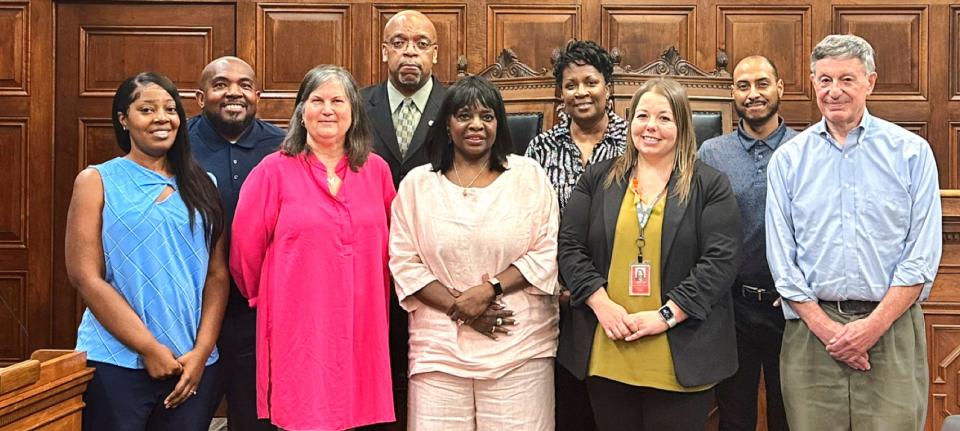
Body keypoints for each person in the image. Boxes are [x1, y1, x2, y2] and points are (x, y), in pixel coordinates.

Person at [766, 34, 942, 431]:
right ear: (813, 83)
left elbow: (921, 255)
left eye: (847, 79)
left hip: (891, 327)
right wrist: (831, 331)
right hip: (812, 333)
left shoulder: (911, 154)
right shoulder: (789, 161)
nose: (834, 91)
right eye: (824, 80)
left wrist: (871, 328)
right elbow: (783, 260)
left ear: (870, 82)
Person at [557, 78, 742, 431]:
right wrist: (602, 305)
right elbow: (570, 246)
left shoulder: (709, 184)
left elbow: (720, 261)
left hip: (681, 350)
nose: (651, 127)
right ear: (630, 123)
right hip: (608, 345)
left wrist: (666, 316)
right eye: (642, 116)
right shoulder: (599, 178)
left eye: (664, 118)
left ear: (682, 126)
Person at [389, 75, 560, 430]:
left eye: (487, 115)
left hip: (519, 344)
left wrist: (488, 290)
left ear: (500, 123)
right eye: (464, 115)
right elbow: (405, 262)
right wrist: (460, 308)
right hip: (439, 350)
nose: (476, 125)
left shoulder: (529, 176)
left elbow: (546, 249)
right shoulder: (418, 185)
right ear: (446, 124)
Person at [230, 65, 396, 430]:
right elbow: (244, 251)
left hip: (362, 322)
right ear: (301, 111)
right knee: (304, 417)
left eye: (338, 100)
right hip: (299, 324)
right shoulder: (272, 171)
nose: (327, 109)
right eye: (316, 100)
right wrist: (266, 297)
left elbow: (396, 245)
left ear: (353, 111)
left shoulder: (377, 171)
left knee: (359, 416)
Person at [66, 72, 228, 431]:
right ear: (124, 119)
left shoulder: (205, 184)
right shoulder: (96, 180)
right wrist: (147, 347)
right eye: (147, 109)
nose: (161, 118)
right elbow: (85, 277)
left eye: (171, 109)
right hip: (116, 361)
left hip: (191, 363)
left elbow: (217, 274)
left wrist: (202, 353)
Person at [525, 39, 627, 431]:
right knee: (566, 407)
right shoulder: (540, 147)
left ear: (608, 86)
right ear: (560, 93)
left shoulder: (633, 142)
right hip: (555, 296)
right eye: (570, 85)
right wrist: (558, 285)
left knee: (613, 409)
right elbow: (528, 221)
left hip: (616, 296)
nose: (581, 92)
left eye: (590, 82)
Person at [698, 55, 797, 431]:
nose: (753, 94)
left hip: (790, 309)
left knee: (787, 416)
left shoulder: (805, 149)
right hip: (732, 308)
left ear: (780, 88)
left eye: (762, 84)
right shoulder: (711, 153)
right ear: (733, 95)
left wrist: (796, 288)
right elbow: (700, 229)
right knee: (734, 416)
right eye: (743, 86)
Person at [189, 56, 284, 431]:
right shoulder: (177, 145)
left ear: (257, 94)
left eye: (245, 85)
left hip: (259, 310)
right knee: (185, 416)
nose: (234, 93)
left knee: (256, 417)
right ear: (200, 96)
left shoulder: (283, 147)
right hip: (192, 311)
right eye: (221, 84)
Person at [361, 11, 448, 408]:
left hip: (437, 260)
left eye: (420, 44)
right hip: (368, 258)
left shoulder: (457, 107)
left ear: (435, 53)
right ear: (384, 52)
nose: (409, 52)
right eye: (398, 43)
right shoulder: (358, 105)